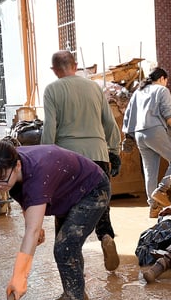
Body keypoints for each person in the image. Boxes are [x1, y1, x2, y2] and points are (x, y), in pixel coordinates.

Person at [0, 140, 109, 300]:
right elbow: (24, 197)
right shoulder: (9, 165)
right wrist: (33, 222)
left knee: (65, 249)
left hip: (91, 191)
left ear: (17, 165)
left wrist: (19, 277)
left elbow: (31, 230)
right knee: (67, 248)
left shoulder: (36, 174)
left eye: (1, 180)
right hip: (67, 191)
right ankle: (74, 294)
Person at [41, 50, 122, 274]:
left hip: (69, 160)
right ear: (75, 66)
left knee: (66, 219)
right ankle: (106, 236)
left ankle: (74, 284)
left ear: (54, 70)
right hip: (98, 155)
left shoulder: (52, 90)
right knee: (100, 208)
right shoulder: (95, 87)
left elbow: (49, 128)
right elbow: (110, 123)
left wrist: (45, 158)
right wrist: (113, 151)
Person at [122, 67, 171, 217]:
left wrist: (129, 135)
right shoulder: (162, 90)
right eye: (166, 81)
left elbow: (128, 115)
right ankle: (161, 190)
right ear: (162, 78)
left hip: (139, 134)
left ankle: (154, 207)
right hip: (155, 131)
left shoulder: (138, 92)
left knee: (150, 171)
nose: (166, 84)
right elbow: (169, 114)